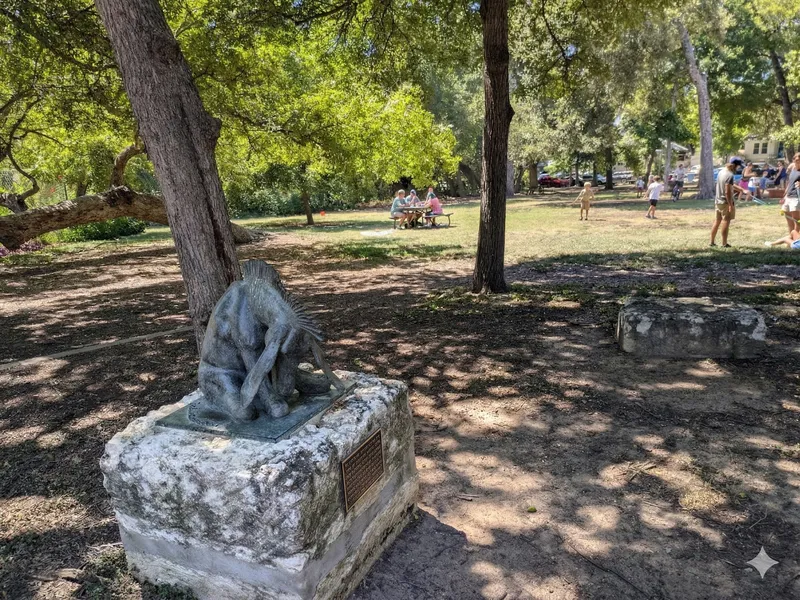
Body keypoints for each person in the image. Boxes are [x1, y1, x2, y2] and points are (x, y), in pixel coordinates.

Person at [711, 163, 736, 247]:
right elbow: (727, 191)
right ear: (733, 166)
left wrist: (741, 189)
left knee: (717, 221)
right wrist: (730, 204)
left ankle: (712, 242)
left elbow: (728, 186)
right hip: (725, 202)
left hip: (718, 201)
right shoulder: (730, 175)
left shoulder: (721, 172)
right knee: (726, 221)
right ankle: (724, 243)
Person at [782, 153, 800, 233]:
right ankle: (791, 237)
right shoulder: (793, 169)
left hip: (796, 197)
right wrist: (785, 194)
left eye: (797, 160)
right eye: (794, 160)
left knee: (797, 220)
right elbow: (790, 182)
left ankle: (796, 240)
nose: (795, 162)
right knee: (788, 218)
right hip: (789, 197)